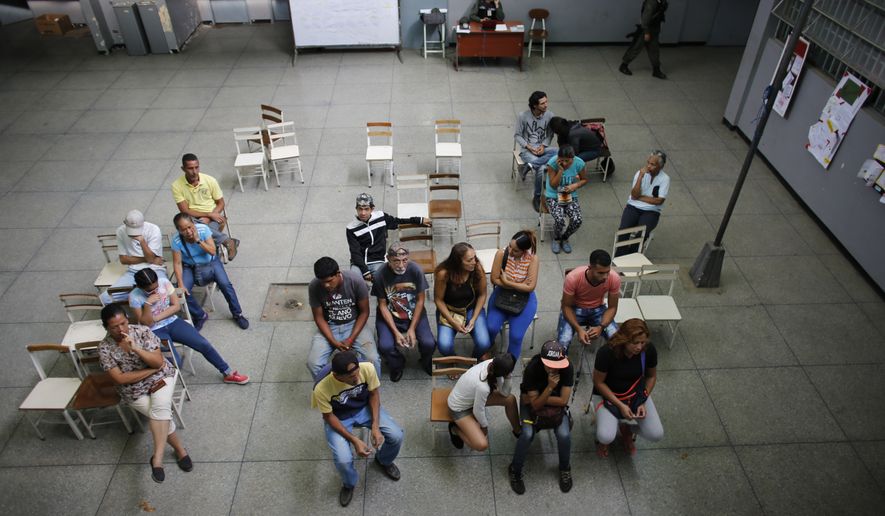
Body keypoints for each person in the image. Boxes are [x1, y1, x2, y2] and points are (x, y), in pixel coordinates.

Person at [98, 304, 191, 484]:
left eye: (123, 323)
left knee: (160, 409)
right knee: (162, 415)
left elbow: (157, 361)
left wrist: (137, 349)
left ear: (127, 319)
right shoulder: (104, 348)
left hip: (161, 377)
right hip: (133, 389)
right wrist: (149, 371)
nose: (121, 329)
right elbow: (121, 379)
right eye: (114, 327)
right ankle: (179, 450)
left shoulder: (141, 332)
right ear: (106, 328)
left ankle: (158, 459)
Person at [311, 351, 403, 507]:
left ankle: (384, 460)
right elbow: (328, 417)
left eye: (357, 372)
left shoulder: (367, 368)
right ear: (336, 376)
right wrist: (355, 440)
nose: (357, 378)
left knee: (396, 435)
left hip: (364, 408)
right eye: (351, 377)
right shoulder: (321, 387)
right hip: (339, 416)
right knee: (343, 459)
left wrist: (375, 426)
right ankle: (349, 483)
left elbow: (374, 394)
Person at [129, 268, 249, 385]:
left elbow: (176, 307)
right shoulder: (135, 296)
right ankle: (159, 384)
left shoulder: (164, 283)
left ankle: (227, 373)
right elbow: (146, 323)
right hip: (154, 331)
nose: (155, 291)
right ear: (140, 288)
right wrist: (148, 304)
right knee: (177, 363)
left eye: (156, 287)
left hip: (172, 322)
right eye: (150, 291)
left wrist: (155, 318)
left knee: (203, 343)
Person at [508, 341, 574, 495]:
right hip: (532, 408)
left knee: (564, 435)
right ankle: (515, 470)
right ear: (543, 361)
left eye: (557, 364)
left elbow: (563, 401)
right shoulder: (532, 368)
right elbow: (535, 406)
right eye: (550, 365)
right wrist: (550, 388)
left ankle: (565, 468)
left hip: (554, 408)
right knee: (527, 434)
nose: (554, 368)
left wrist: (539, 397)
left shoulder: (567, 367)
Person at [592, 318, 664, 457]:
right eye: (634, 343)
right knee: (605, 436)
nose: (639, 347)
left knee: (656, 434)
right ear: (624, 339)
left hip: (636, 394)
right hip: (608, 395)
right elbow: (599, 382)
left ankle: (627, 428)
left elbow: (651, 376)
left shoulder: (648, 350)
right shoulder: (607, 352)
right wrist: (620, 406)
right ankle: (606, 439)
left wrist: (642, 400)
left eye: (642, 342)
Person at [306, 257, 381, 381]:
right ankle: (331, 388)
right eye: (322, 281)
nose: (326, 285)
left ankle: (371, 391)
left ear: (338, 273)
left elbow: (364, 312)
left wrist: (351, 338)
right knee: (313, 363)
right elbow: (318, 317)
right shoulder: (314, 286)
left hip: (354, 324)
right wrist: (332, 341)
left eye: (330, 281)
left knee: (373, 358)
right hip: (330, 326)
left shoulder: (355, 281)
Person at [170, 213, 249, 330]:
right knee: (182, 291)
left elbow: (212, 251)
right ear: (179, 230)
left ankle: (238, 314)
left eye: (190, 227)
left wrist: (198, 241)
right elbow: (177, 263)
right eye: (184, 229)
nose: (188, 231)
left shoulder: (203, 230)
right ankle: (200, 315)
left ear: (193, 223)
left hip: (211, 262)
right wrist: (181, 283)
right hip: (190, 266)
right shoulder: (176, 241)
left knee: (226, 285)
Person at [372, 243, 436, 382]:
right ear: (388, 259)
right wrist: (396, 332)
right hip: (390, 314)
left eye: (405, 260)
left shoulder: (416, 270)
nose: (401, 265)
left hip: (414, 312)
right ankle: (397, 364)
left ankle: (425, 361)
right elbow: (382, 305)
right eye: (396, 261)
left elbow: (420, 301)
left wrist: (412, 328)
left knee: (429, 343)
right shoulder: (379, 275)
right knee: (385, 346)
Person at [346, 193, 429, 283]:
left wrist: (419, 220)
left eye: (366, 209)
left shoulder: (381, 217)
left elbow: (398, 221)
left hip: (377, 260)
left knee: (386, 283)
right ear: (356, 209)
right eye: (360, 209)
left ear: (372, 209)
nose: (363, 213)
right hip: (359, 263)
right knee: (353, 282)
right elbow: (355, 252)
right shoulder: (351, 228)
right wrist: (365, 271)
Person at [446, 353, 520, 451]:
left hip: (473, 398)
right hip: (458, 409)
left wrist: (508, 377)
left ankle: (518, 431)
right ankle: (455, 429)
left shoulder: (494, 364)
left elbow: (505, 393)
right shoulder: (483, 386)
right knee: (481, 445)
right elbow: (478, 410)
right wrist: (484, 426)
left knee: (510, 399)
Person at [171, 153, 239, 260]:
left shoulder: (210, 180)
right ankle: (227, 241)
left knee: (202, 230)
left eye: (196, 167)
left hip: (214, 214)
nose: (194, 172)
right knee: (198, 229)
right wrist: (207, 215)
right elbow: (184, 210)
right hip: (193, 217)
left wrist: (211, 216)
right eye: (190, 168)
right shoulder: (176, 185)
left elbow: (221, 203)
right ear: (183, 169)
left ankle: (212, 257)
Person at [486, 230, 539, 359]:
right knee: (491, 328)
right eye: (510, 246)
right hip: (502, 294)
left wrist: (505, 281)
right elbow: (494, 279)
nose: (510, 251)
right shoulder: (501, 254)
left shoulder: (532, 259)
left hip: (525, 299)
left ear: (524, 251)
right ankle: (489, 346)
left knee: (516, 336)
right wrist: (520, 285)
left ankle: (508, 364)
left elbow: (530, 287)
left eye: (515, 250)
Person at [434, 243, 491, 359]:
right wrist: (452, 322)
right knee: (444, 346)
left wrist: (474, 318)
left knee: (484, 343)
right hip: (449, 310)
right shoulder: (444, 274)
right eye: (469, 260)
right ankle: (452, 359)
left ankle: (473, 359)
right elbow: (438, 300)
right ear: (458, 262)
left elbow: (482, 295)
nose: (474, 262)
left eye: (474, 257)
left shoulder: (477, 269)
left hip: (472, 309)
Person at [557, 249, 620, 350]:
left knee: (618, 341)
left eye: (607, 272)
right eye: (600, 273)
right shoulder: (573, 278)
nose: (605, 277)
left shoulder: (614, 278)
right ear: (590, 268)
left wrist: (601, 327)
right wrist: (579, 330)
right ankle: (562, 365)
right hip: (574, 308)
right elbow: (566, 306)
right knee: (563, 342)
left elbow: (612, 307)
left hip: (598, 308)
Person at [100, 209, 167, 304]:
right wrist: (148, 258)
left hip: (154, 269)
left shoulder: (153, 229)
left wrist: (142, 241)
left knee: (164, 293)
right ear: (124, 223)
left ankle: (141, 301)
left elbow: (151, 260)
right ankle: (135, 305)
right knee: (105, 298)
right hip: (133, 272)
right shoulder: (120, 231)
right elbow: (123, 260)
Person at [615, 150, 670, 256]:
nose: (648, 166)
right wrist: (640, 177)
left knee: (642, 233)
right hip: (633, 207)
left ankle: (632, 256)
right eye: (648, 163)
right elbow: (634, 195)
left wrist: (639, 197)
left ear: (660, 166)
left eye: (652, 164)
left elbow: (659, 201)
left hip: (651, 211)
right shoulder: (640, 173)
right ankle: (619, 257)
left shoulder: (665, 179)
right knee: (623, 230)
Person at [515, 90, 557, 212]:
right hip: (527, 150)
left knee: (558, 152)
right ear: (535, 105)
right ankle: (537, 196)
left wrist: (543, 146)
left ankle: (529, 166)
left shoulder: (550, 115)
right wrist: (528, 147)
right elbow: (517, 135)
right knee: (542, 168)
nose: (546, 105)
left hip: (543, 149)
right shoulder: (523, 116)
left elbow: (550, 134)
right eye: (542, 103)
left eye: (546, 102)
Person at [544, 145, 588, 255]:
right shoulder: (552, 163)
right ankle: (557, 238)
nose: (564, 162)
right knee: (560, 219)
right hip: (553, 195)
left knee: (577, 220)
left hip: (568, 194)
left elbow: (584, 179)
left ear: (573, 158)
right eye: (561, 160)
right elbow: (553, 185)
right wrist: (560, 170)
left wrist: (575, 185)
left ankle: (565, 237)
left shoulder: (579, 163)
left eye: (567, 161)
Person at [619, 0, 669, 79]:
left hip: (654, 29)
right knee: (636, 48)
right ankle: (623, 65)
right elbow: (645, 18)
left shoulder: (662, 2)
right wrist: (646, 32)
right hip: (646, 30)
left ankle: (656, 70)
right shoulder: (651, 2)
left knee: (654, 50)